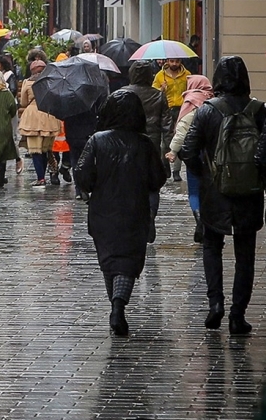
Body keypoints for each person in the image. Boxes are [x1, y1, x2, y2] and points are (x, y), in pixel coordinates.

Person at [179, 56, 266, 335]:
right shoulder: (259, 111)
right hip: (249, 192)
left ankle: (215, 304)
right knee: (245, 254)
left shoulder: (207, 111)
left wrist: (205, 174)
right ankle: (237, 315)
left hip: (214, 191)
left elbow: (187, 150)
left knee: (211, 245)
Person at [74, 89, 168, 336]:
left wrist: (94, 184)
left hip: (103, 212)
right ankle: (118, 305)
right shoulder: (144, 143)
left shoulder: (97, 140)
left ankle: (116, 305)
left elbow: (82, 175)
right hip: (134, 211)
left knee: (109, 260)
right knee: (128, 262)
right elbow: (157, 179)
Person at [122, 60, 171, 242]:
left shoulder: (122, 93)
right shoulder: (158, 96)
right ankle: (149, 216)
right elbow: (167, 125)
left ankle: (133, 220)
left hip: (127, 146)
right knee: (152, 185)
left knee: (129, 184)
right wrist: (168, 150)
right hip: (152, 145)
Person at [166, 75, 214, 243]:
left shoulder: (190, 101)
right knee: (208, 188)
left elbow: (182, 130)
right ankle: (208, 220)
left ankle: (199, 217)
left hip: (193, 154)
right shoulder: (213, 101)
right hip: (211, 155)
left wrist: (173, 150)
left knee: (194, 190)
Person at [18, 60, 60, 187]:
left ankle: (40, 178)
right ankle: (51, 171)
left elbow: (23, 102)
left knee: (35, 150)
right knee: (46, 149)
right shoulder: (51, 81)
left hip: (32, 116)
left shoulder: (27, 82)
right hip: (48, 115)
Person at [153, 57, 191, 180]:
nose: (174, 64)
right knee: (165, 142)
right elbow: (153, 93)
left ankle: (176, 171)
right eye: (172, 61)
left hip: (182, 109)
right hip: (166, 110)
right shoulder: (160, 76)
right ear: (167, 61)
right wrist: (161, 89)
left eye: (177, 61)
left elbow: (191, 91)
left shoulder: (187, 75)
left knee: (180, 139)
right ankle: (166, 169)